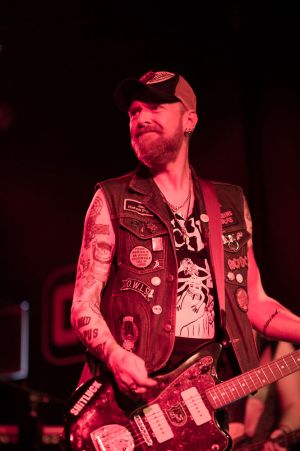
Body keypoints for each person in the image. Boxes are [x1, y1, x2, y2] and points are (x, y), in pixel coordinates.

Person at [68, 70, 300, 449]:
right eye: (133, 111)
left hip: (201, 409)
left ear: (190, 119)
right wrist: (115, 356)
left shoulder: (229, 204)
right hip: (128, 407)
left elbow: (255, 305)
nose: (140, 118)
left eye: (155, 107)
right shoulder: (110, 198)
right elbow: (82, 305)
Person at [229, 336, 300, 451]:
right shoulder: (218, 336)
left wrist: (283, 430)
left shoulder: (275, 345)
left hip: (257, 441)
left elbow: (295, 405)